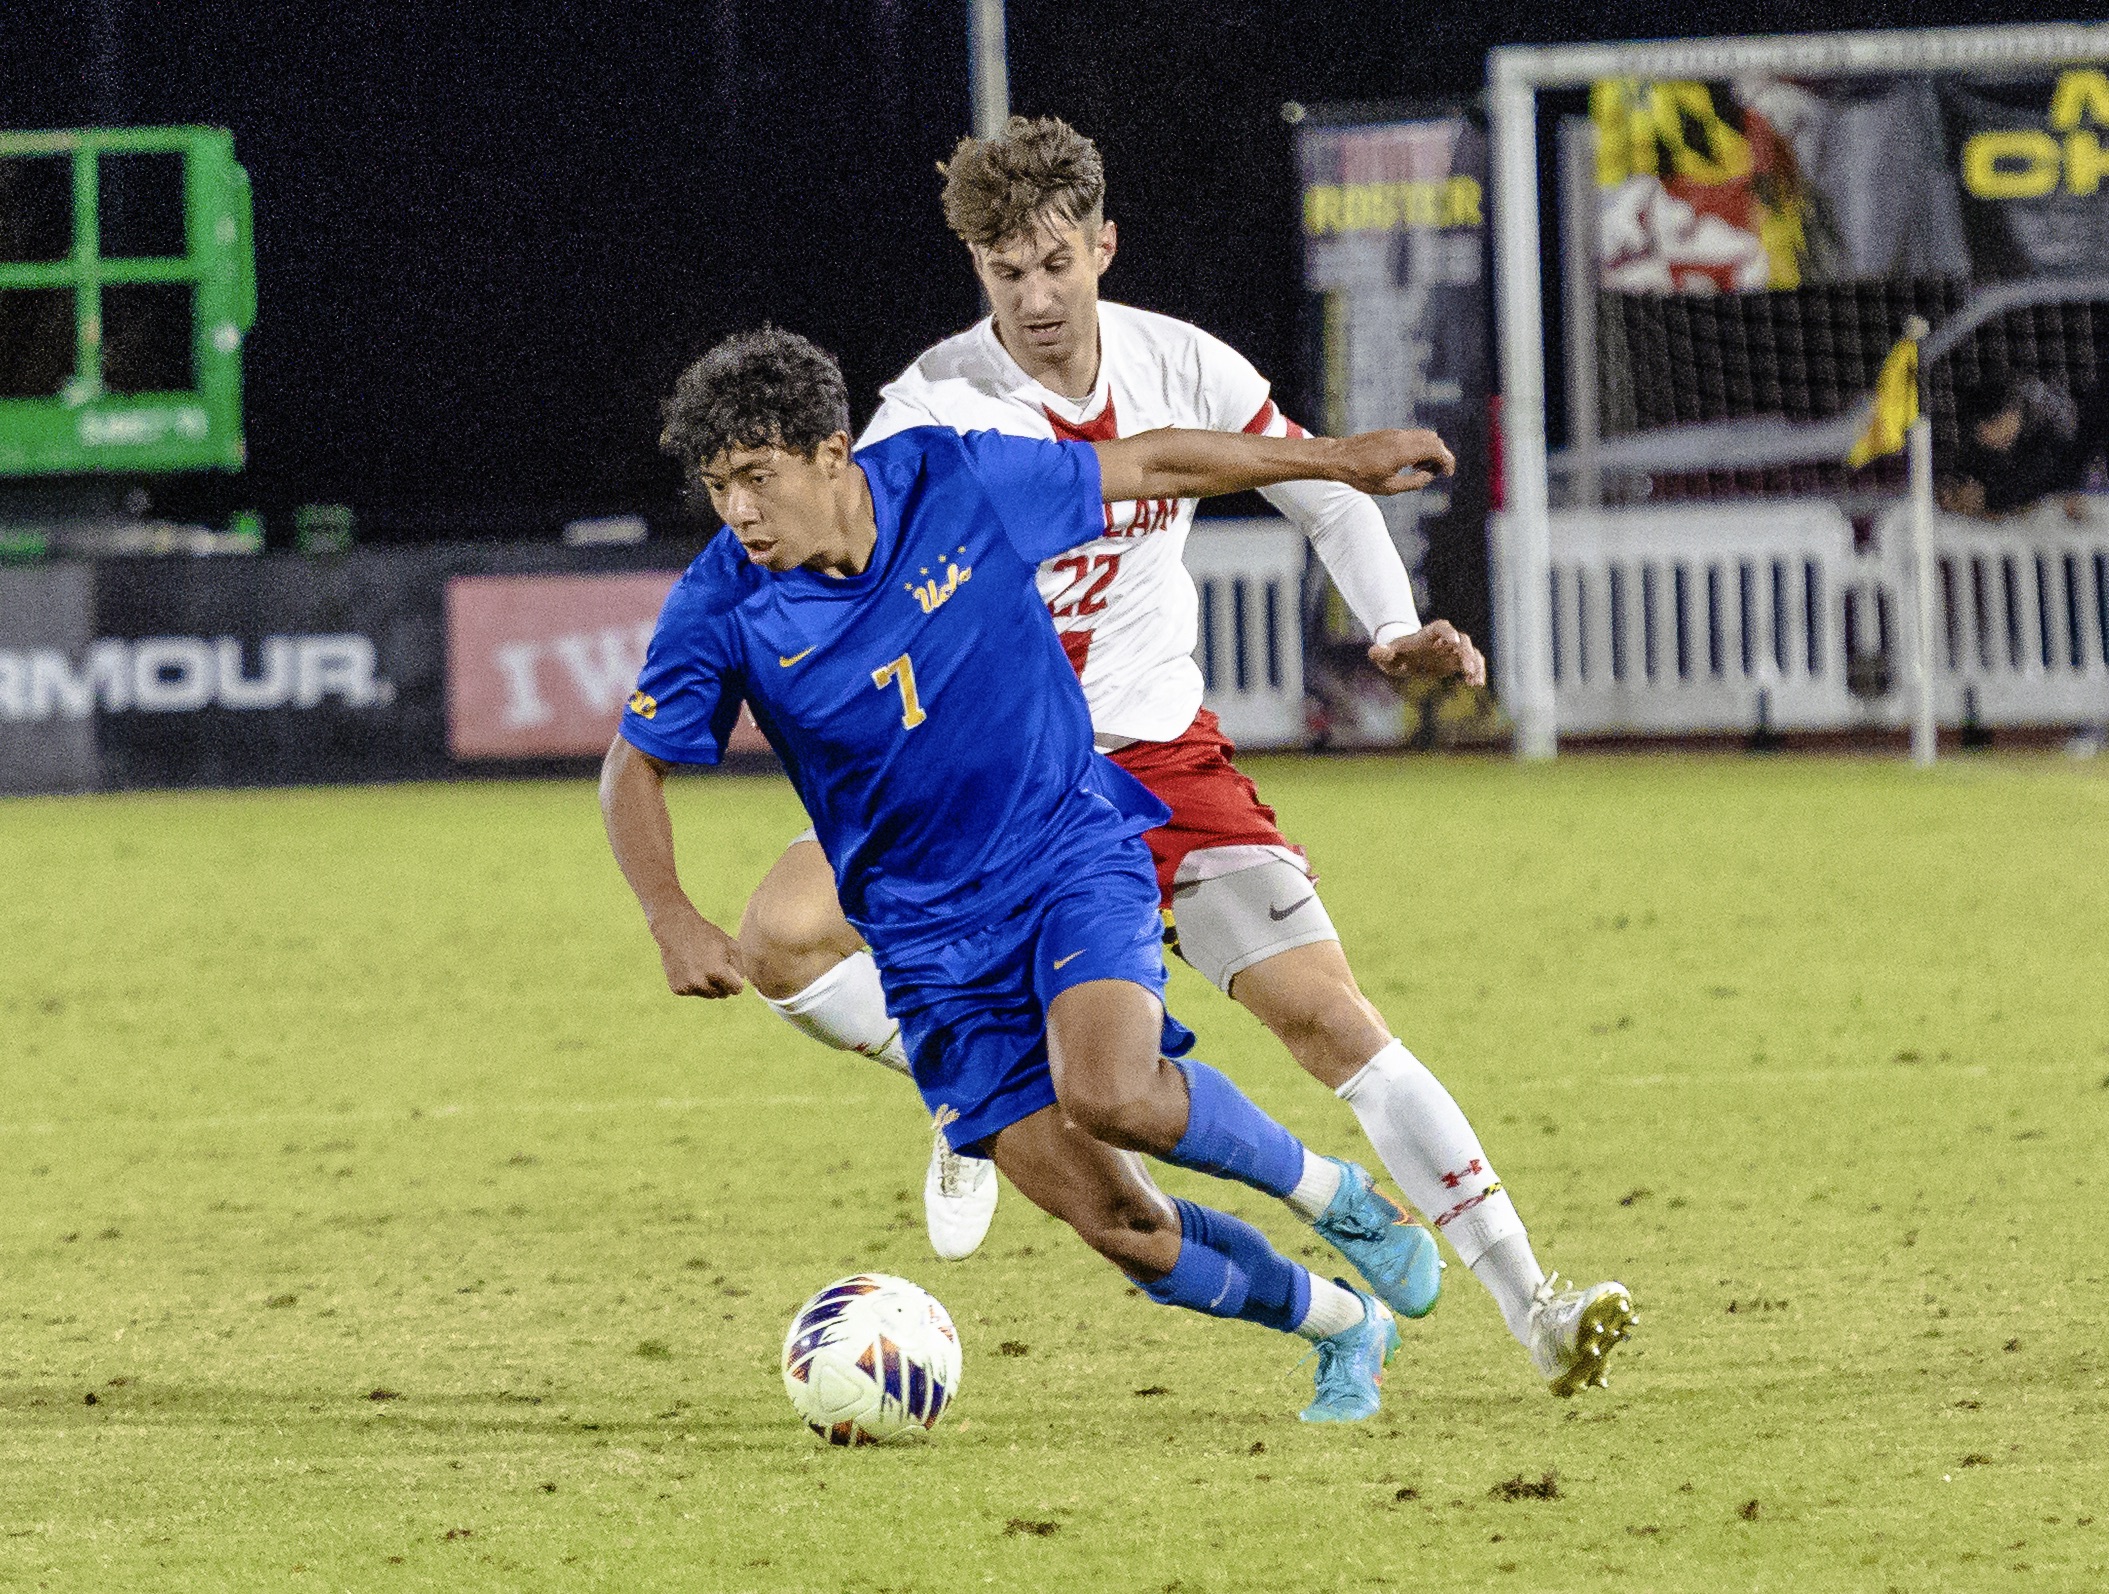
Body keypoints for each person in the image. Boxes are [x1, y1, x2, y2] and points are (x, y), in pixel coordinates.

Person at [733, 116, 1635, 1397]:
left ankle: (1534, 1301)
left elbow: (1321, 486)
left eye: (1057, 263)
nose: (1037, 298)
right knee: (781, 935)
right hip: (994, 781)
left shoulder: (1181, 363)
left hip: (1159, 755)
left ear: (1103, 243)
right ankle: (954, 1081)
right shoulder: (927, 411)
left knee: (1332, 1019)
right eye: (1006, 274)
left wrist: (1389, 628)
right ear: (977, 273)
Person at [603, 326, 1465, 1421]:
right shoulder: (723, 604)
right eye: (720, 486)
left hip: (1066, 850)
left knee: (1111, 1091)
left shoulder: (953, 478)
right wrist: (668, 913)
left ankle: (1336, 1194)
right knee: (1126, 1230)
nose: (738, 511)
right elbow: (630, 772)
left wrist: (1334, 461)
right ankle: (1344, 1326)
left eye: (757, 479)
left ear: (832, 454)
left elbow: (1151, 462)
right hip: (925, 945)